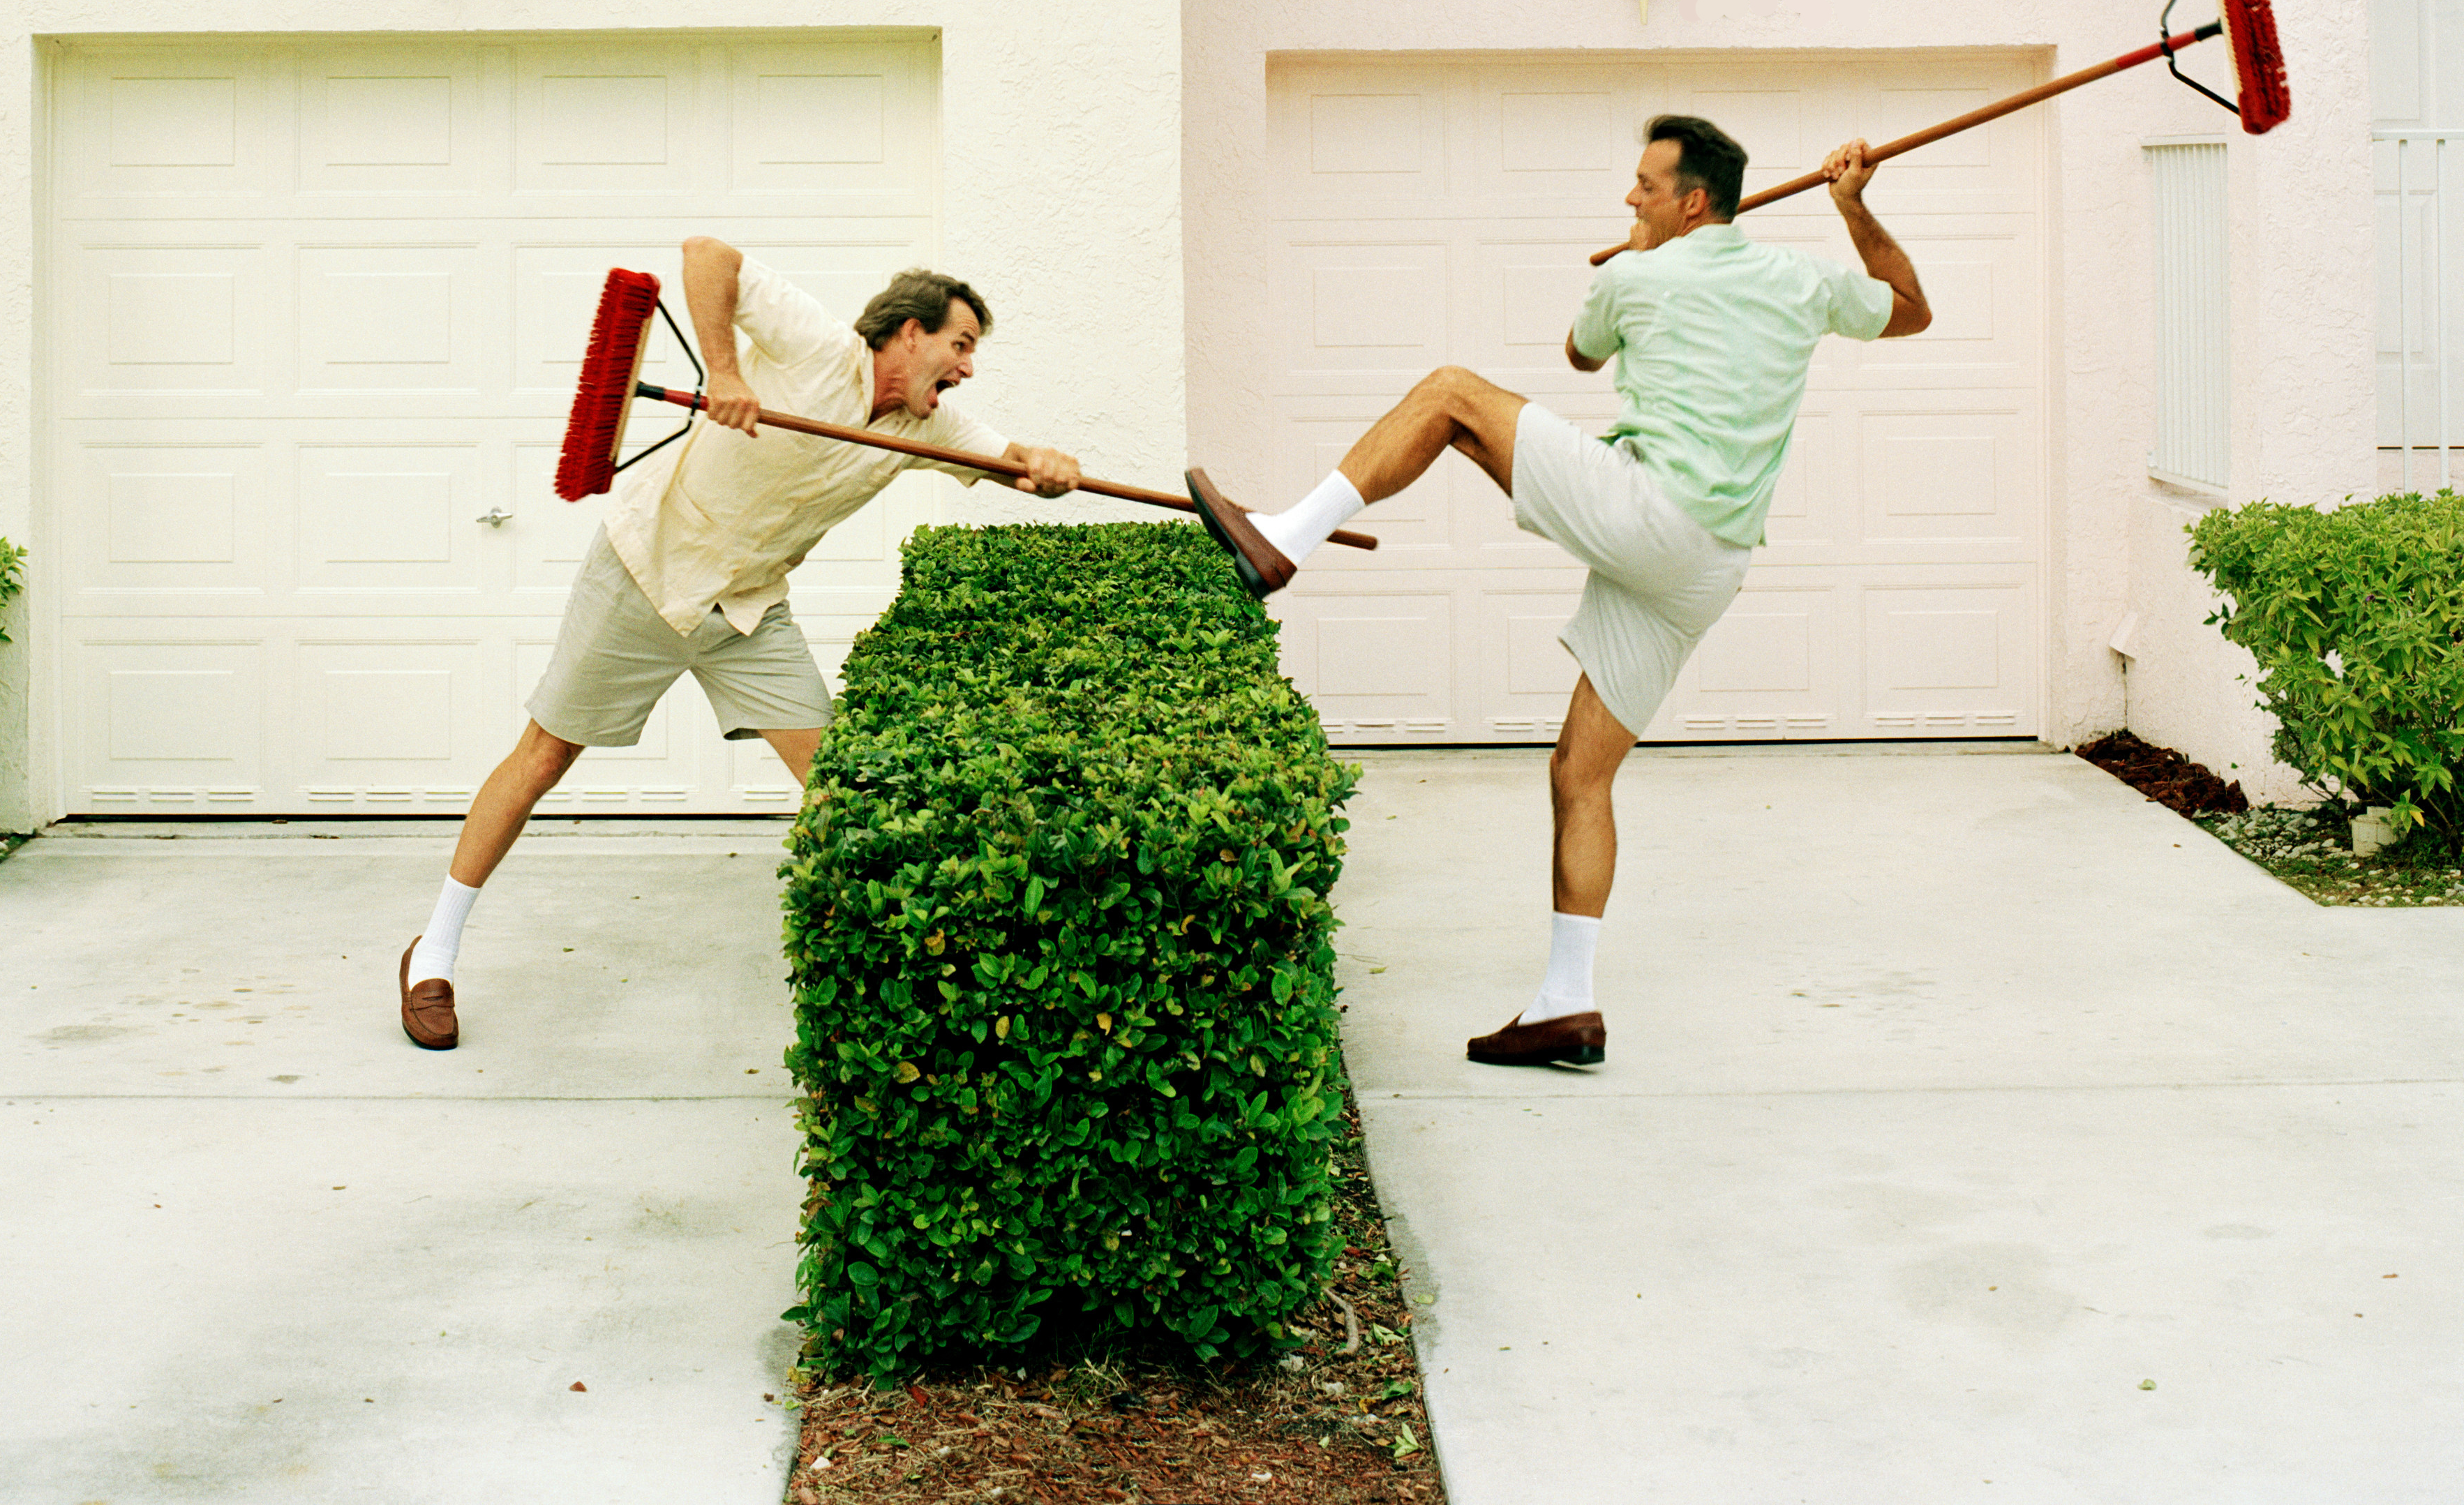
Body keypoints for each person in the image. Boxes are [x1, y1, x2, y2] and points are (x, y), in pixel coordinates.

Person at [1186, 114, 1929, 1072]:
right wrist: (1852, 206)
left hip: (1648, 512)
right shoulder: (1800, 279)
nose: (1631, 199)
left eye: (1646, 188)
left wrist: (1629, 261)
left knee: (1451, 391)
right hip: (1708, 563)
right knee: (1580, 772)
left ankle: (1286, 537)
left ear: (1691, 199)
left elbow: (1583, 354)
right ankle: (1567, 1006)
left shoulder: (1633, 275)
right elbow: (1908, 304)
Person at [398, 240, 1081, 1049]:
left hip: (747, 612)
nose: (968, 369)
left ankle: (888, 983)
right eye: (961, 345)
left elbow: (1009, 463)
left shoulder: (929, 423)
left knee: (839, 785)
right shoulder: (817, 345)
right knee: (545, 755)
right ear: (907, 330)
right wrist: (724, 371)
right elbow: (709, 255)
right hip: (645, 571)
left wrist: (1040, 464)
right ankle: (432, 953)